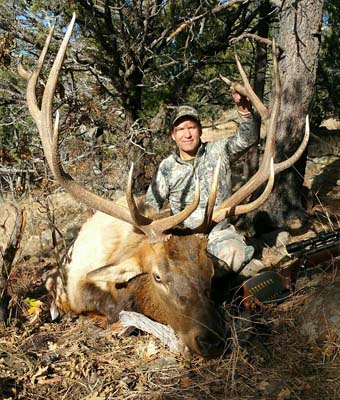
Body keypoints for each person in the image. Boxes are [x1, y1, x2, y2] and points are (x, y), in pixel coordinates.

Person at [145, 90, 264, 277]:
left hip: (218, 234)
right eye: (180, 130)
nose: (187, 134)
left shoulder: (219, 151)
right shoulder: (166, 167)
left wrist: (243, 109)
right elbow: (150, 206)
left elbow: (248, 139)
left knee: (233, 253)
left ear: (200, 130)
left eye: (191, 127)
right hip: (185, 240)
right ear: (173, 135)